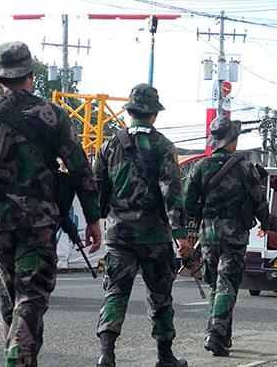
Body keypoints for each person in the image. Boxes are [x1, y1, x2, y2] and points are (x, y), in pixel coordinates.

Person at [0, 42, 101, 366]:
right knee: (30, 297)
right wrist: (94, 218)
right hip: (38, 222)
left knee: (11, 298)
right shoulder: (54, 116)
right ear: (31, 75)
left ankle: (18, 358)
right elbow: (80, 169)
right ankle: (17, 361)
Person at [91, 83, 190, 367]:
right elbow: (172, 192)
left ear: (130, 111)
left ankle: (106, 354)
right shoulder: (163, 146)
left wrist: (98, 220)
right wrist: (181, 234)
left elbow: (98, 189)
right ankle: (164, 356)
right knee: (160, 295)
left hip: (119, 233)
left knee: (116, 292)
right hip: (154, 235)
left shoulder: (109, 145)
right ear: (154, 115)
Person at [185, 116, 270, 356]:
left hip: (208, 235)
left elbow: (188, 204)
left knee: (216, 286)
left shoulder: (199, 167)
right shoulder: (246, 168)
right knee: (227, 286)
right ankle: (215, 333)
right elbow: (259, 201)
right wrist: (266, 222)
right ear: (233, 139)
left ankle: (222, 337)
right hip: (235, 236)